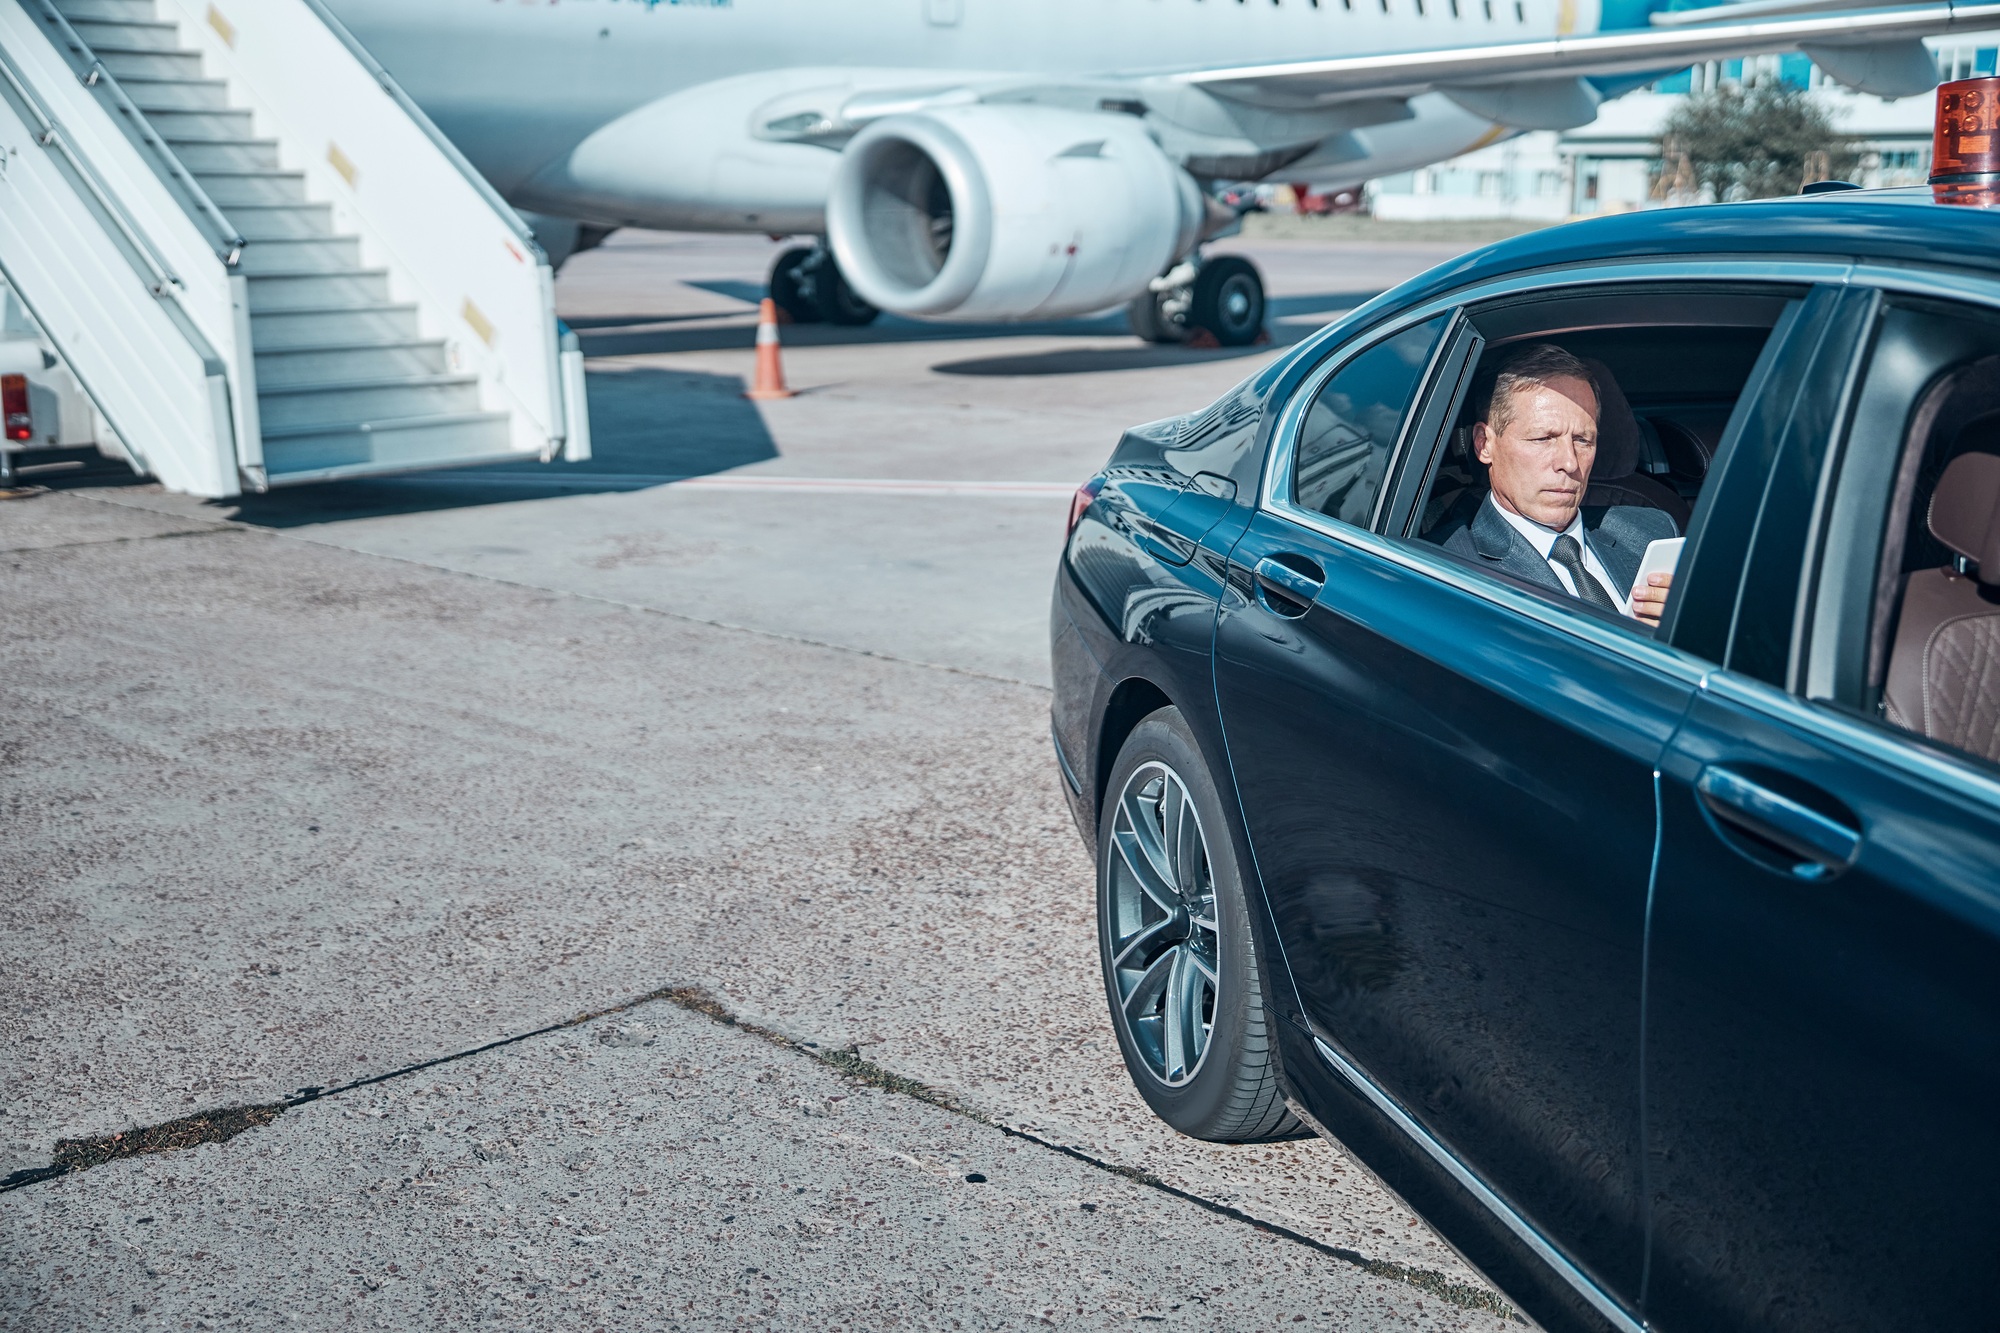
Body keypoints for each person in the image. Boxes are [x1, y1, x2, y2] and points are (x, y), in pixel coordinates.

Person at [1444, 344, 1676, 627]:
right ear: (1484, 444)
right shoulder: (1447, 567)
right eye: (1543, 438)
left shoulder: (1653, 532)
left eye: (1583, 440)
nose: (1570, 462)